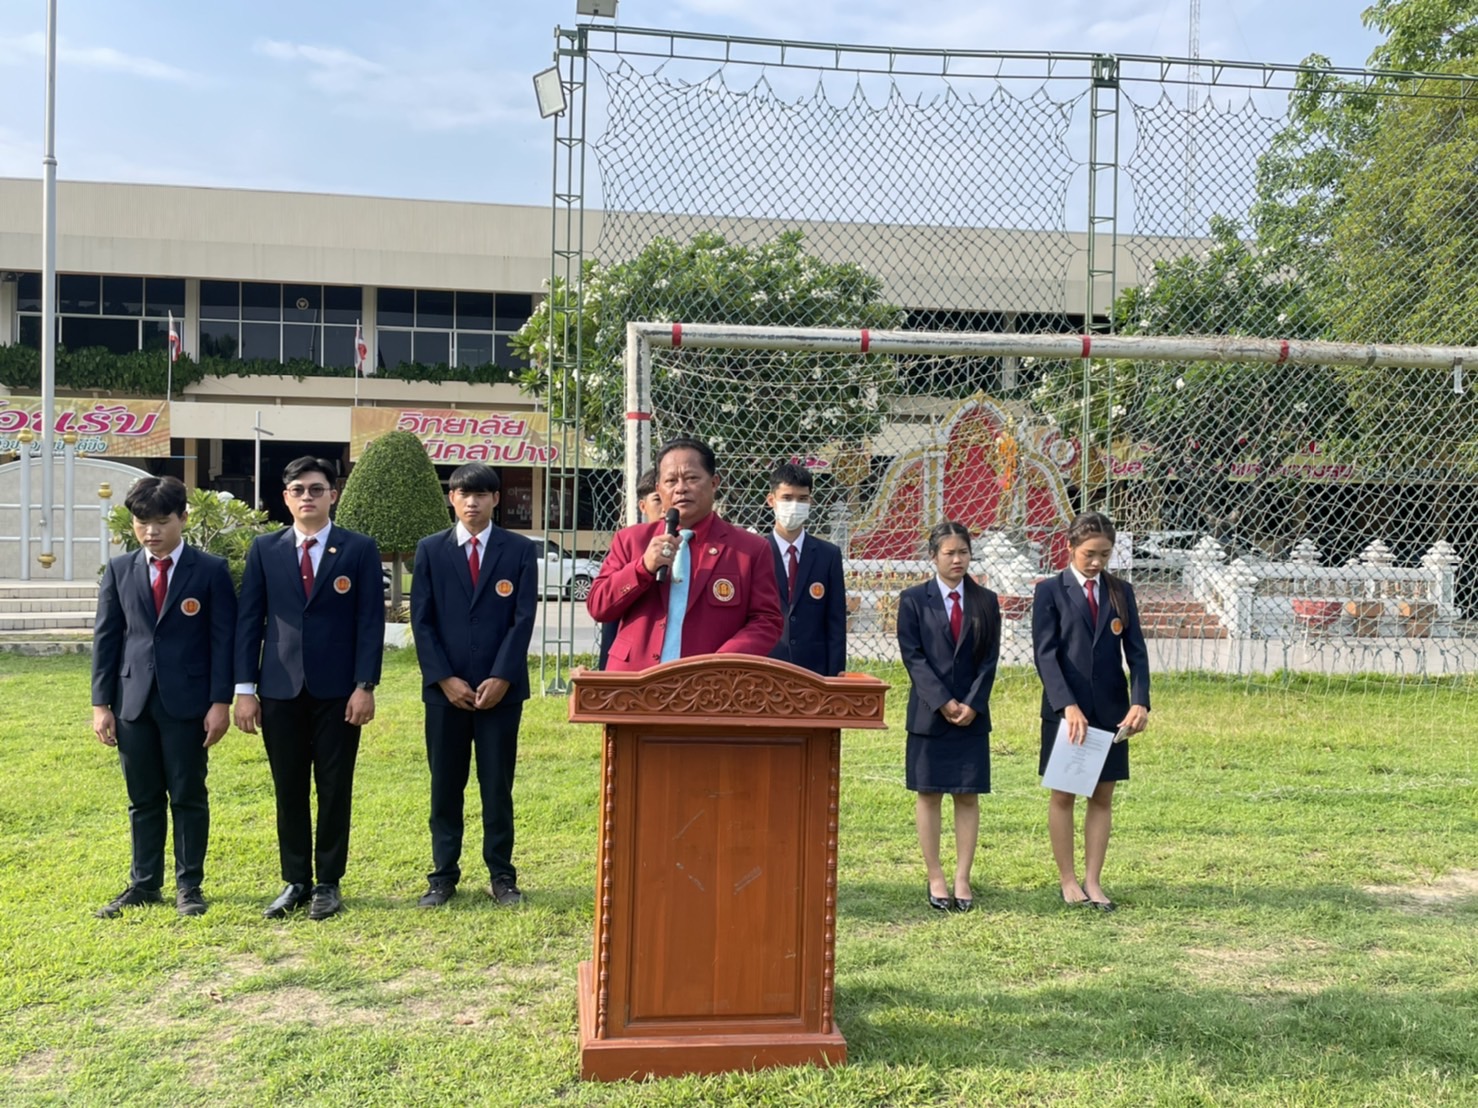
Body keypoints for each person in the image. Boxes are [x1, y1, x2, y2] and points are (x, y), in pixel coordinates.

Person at [234, 457, 385, 921]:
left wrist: (365, 685)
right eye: (298, 489)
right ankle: (295, 880)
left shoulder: (358, 548)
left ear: (332, 495)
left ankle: (328, 883)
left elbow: (370, 622)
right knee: (289, 787)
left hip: (339, 691)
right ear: (285, 498)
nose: (307, 497)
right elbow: (249, 621)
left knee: (335, 787)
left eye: (316, 489)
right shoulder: (265, 549)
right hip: (279, 690)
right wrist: (245, 689)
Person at [90, 476, 236, 919]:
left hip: (189, 702)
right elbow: (107, 639)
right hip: (132, 702)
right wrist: (101, 705)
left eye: (161, 521)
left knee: (188, 794)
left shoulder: (209, 570)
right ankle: (144, 883)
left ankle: (189, 886)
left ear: (183, 518)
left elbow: (222, 641)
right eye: (142, 522)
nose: (151, 531)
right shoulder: (119, 570)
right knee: (143, 797)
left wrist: (220, 702)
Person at [410, 463, 538, 908]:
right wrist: (444, 678)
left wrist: (502, 676)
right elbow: (422, 621)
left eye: (481, 494)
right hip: (445, 694)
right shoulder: (430, 550)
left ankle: (502, 875)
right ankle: (442, 876)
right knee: (445, 786)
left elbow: (523, 619)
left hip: (501, 693)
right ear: (452, 498)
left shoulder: (519, 550)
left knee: (496, 786)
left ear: (495, 500)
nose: (472, 502)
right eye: (464, 493)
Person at [1032, 511, 1150, 912]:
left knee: (1102, 796)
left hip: (1111, 711)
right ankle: (1068, 880)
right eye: (1089, 554)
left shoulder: (1120, 592)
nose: (1097, 562)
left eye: (1104, 554)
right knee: (1064, 794)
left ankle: (1093, 881)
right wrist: (1068, 706)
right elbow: (1045, 655)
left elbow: (1137, 653)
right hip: (1067, 712)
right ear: (1070, 548)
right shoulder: (1050, 591)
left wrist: (1140, 701)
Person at [587, 436, 783, 670]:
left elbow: (767, 621)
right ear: (659, 489)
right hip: (634, 681)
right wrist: (643, 568)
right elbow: (598, 606)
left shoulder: (749, 549)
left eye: (692, 478)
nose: (681, 488)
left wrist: (722, 662)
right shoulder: (631, 540)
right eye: (671, 481)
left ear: (714, 483)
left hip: (708, 682)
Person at [896, 521, 1001, 913]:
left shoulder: (986, 601)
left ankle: (962, 877)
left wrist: (972, 703)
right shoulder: (913, 600)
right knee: (929, 794)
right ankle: (936, 875)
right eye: (949, 553)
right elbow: (913, 656)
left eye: (963, 552)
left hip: (972, 715)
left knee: (967, 795)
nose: (957, 559)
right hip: (929, 714)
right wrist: (942, 701)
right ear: (933, 556)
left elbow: (990, 658)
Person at [765, 462, 847, 677]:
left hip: (814, 671)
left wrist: (835, 675)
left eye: (802, 499)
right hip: (765, 667)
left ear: (810, 501)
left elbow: (836, 622)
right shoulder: (755, 552)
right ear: (771, 500)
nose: (794, 505)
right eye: (787, 498)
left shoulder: (828, 555)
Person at [596, 467, 664, 670]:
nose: (665, 507)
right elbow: (605, 608)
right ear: (643, 506)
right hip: (632, 664)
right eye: (657, 499)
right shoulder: (629, 541)